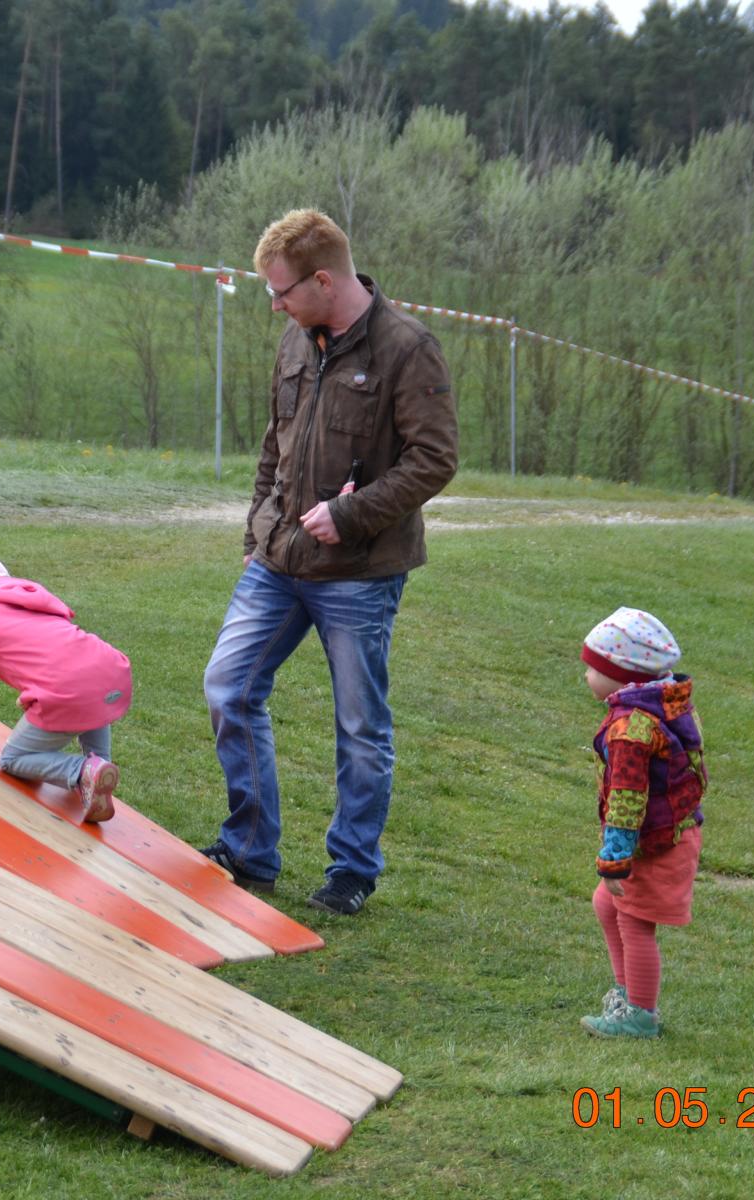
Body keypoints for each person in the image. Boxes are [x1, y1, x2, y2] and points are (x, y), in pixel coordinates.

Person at [201, 208, 458, 916]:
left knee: (359, 728)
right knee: (228, 689)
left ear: (323, 280)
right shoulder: (295, 339)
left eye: (281, 291)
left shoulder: (408, 348)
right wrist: (256, 532)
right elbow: (274, 443)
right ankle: (249, 850)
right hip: (277, 563)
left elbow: (435, 459)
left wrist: (350, 514)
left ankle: (352, 870)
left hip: (360, 575)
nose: (274, 305)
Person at [578, 607, 707, 1039]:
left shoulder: (631, 730)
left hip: (654, 841)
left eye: (593, 669)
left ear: (622, 677)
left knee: (634, 920)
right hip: (669, 832)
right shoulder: (664, 701)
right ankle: (626, 993)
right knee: (606, 904)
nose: (586, 676)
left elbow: (627, 799)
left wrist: (615, 860)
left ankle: (640, 1014)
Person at [0, 551, 132, 823]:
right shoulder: (32, 596)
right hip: (111, 669)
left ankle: (82, 771)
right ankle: (100, 763)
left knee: (13, 759)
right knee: (90, 692)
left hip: (70, 692)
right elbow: (53, 651)